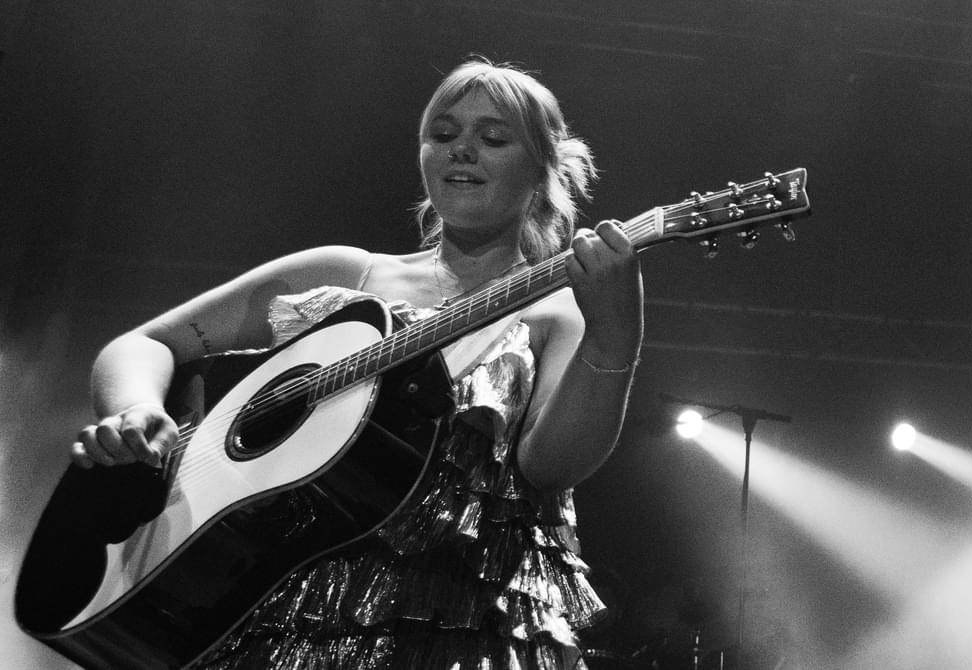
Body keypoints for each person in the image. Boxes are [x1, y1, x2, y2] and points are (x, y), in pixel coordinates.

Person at [70, 58, 644, 669]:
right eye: (442, 135)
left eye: (494, 138)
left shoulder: (558, 313)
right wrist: (133, 410)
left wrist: (615, 337)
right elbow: (145, 345)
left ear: (543, 167)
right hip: (263, 614)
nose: (462, 152)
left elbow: (548, 469)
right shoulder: (343, 274)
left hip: (455, 628)